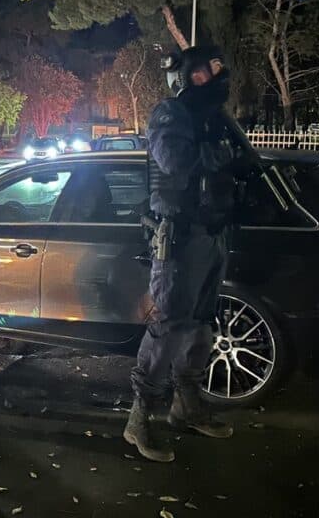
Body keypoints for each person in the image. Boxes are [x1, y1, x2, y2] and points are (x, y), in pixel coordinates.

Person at [125, 45, 237, 462]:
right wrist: (216, 152)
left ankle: (186, 406)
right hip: (180, 238)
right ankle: (139, 419)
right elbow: (174, 160)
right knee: (168, 325)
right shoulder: (171, 114)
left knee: (201, 325)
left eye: (216, 71)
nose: (213, 78)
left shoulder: (214, 119)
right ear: (187, 76)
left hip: (210, 235)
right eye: (205, 73)